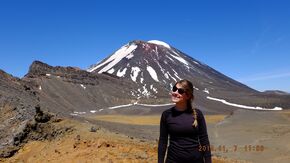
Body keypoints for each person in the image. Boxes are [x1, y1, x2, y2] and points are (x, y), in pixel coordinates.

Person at [158, 79, 212, 163]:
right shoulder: (166, 114)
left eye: (180, 91)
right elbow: (163, 141)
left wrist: (208, 161)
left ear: (188, 95)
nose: (175, 92)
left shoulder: (198, 114)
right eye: (174, 89)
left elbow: (204, 140)